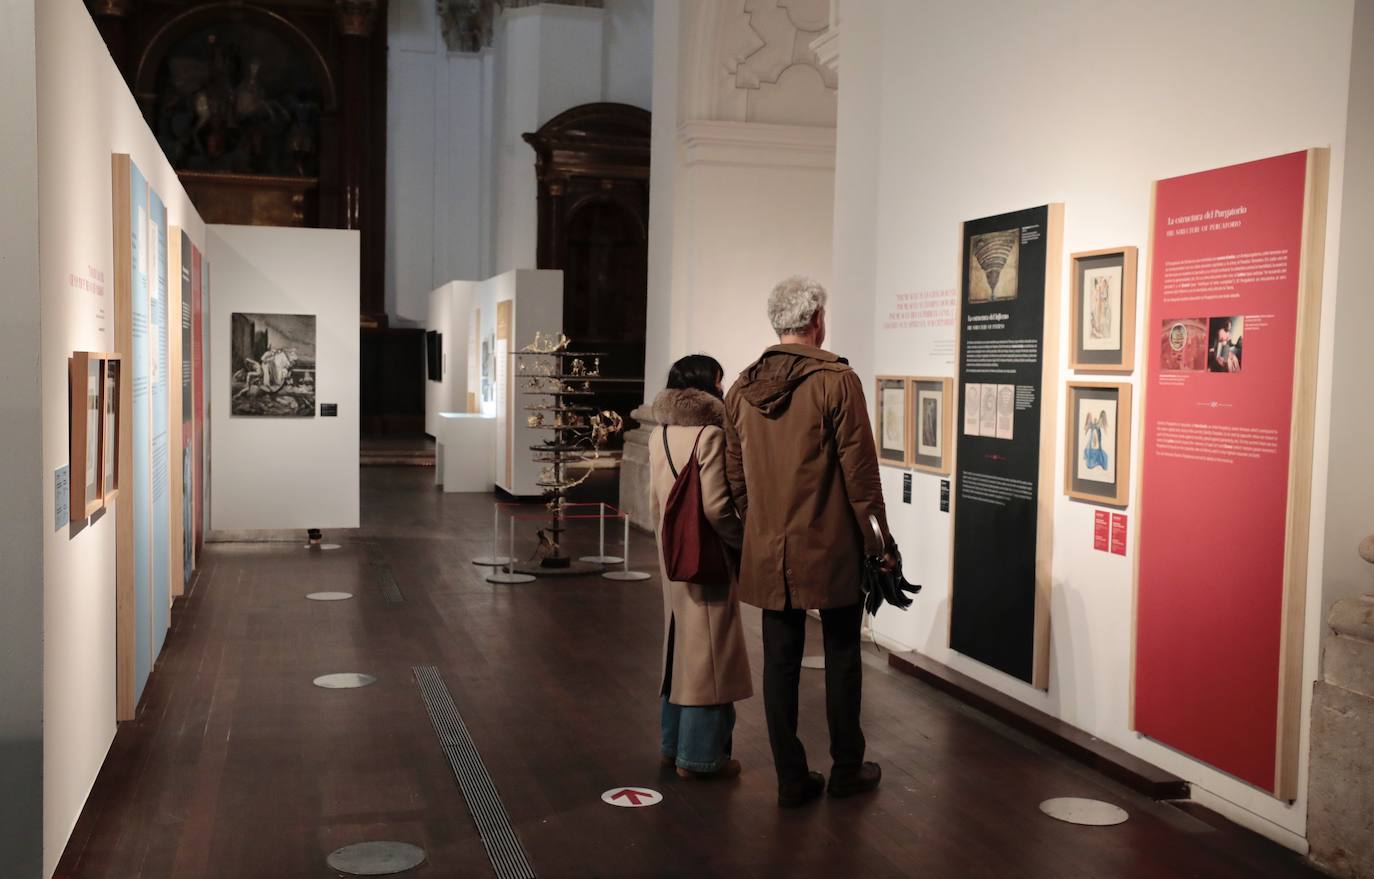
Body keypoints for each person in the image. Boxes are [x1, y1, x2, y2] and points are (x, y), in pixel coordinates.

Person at [724, 276, 894, 807]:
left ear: (777, 323)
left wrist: (761, 527)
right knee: (843, 654)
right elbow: (860, 477)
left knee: (780, 661)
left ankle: (791, 777)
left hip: (770, 549)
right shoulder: (836, 381)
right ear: (816, 319)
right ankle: (846, 767)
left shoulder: (741, 389)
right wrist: (879, 545)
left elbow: (735, 480)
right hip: (831, 546)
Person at [648, 354, 753, 779]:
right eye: (720, 380)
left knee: (679, 651)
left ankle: (671, 746)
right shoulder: (710, 434)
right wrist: (742, 542)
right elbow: (715, 507)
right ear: (707, 385)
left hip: (673, 558)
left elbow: (657, 505)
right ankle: (701, 757)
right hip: (706, 558)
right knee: (710, 657)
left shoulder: (661, 433)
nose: (724, 388)